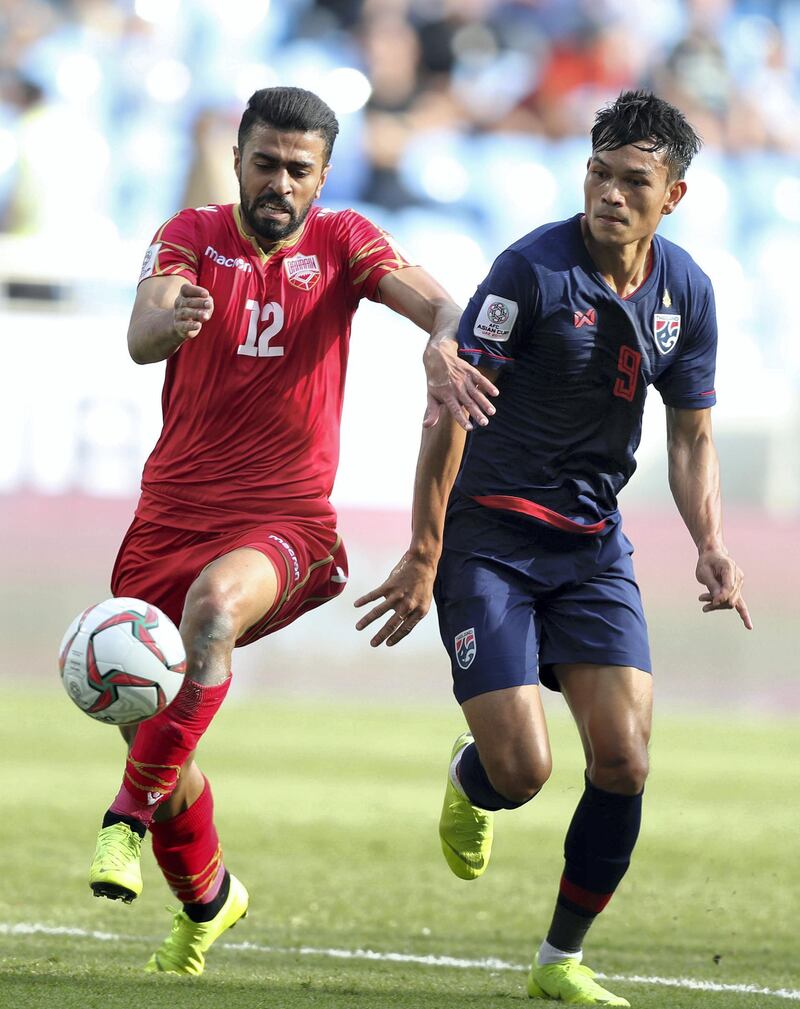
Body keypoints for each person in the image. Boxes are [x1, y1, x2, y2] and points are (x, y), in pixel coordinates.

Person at [87, 85, 497, 977]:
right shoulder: (191, 235)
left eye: (297, 169)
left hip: (286, 519)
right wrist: (174, 320)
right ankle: (208, 897)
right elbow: (142, 330)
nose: (280, 182)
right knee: (159, 731)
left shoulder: (344, 241)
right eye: (265, 163)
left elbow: (447, 303)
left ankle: (118, 820)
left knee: (211, 614)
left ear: (323, 174)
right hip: (167, 516)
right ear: (237, 160)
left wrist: (440, 339)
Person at [356, 90, 751, 1007]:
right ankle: (474, 774)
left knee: (625, 760)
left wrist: (712, 541)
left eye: (634, 181)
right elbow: (452, 409)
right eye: (599, 173)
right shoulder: (529, 271)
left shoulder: (685, 291)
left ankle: (559, 960)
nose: (610, 194)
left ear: (674, 196)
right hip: (490, 539)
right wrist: (424, 551)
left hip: (593, 548)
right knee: (522, 772)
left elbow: (691, 436)